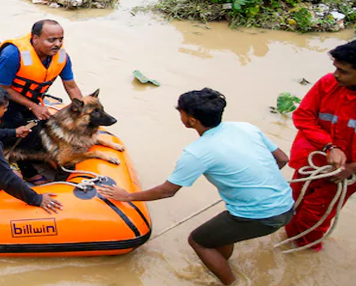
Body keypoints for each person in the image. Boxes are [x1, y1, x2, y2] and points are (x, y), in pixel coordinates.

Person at [99, 88, 293, 286]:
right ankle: (222, 264)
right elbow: (282, 159)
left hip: (260, 216)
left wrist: (127, 196)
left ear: (191, 120)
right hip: (287, 206)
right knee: (220, 232)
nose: (179, 115)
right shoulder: (246, 127)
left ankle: (233, 283)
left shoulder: (197, 152)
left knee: (198, 241)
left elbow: (167, 191)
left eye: (181, 112)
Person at [0, 19, 82, 184]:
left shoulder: (62, 57)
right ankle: (28, 171)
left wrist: (82, 111)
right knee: (18, 134)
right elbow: (3, 88)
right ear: (35, 38)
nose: (57, 44)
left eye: (60, 39)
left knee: (40, 130)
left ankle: (49, 161)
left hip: (33, 99)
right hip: (5, 101)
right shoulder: (13, 54)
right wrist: (34, 107)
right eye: (51, 40)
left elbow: (71, 86)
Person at [285, 40, 356, 251]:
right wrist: (329, 147)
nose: (336, 74)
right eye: (335, 68)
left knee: (314, 218)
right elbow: (303, 115)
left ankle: (305, 253)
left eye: (343, 71)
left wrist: (352, 168)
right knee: (291, 206)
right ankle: (290, 245)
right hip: (312, 162)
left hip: (342, 174)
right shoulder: (328, 84)